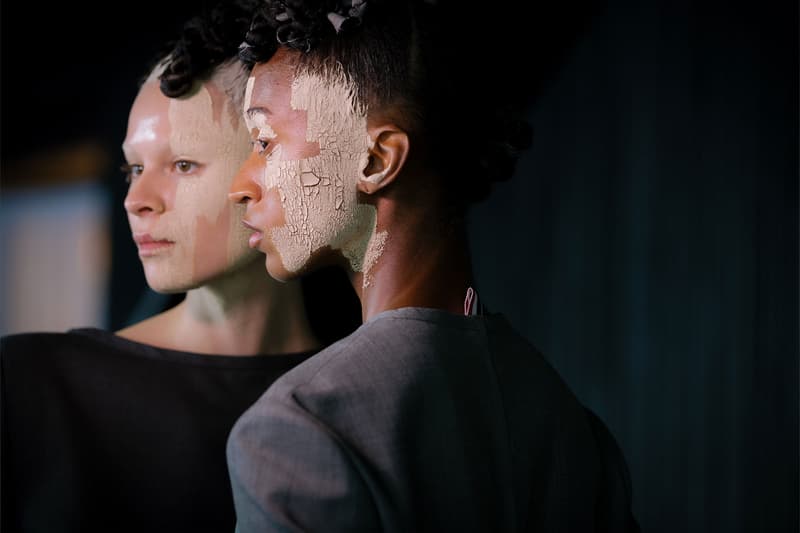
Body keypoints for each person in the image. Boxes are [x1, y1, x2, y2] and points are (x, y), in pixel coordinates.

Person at [225, 0, 640, 531]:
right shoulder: (573, 431)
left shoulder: (298, 427)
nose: (241, 186)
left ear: (375, 161)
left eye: (264, 142)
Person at [0, 1, 357, 531]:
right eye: (133, 168)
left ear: (272, 161)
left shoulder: (362, 396)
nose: (136, 199)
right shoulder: (26, 385)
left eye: (183, 164)